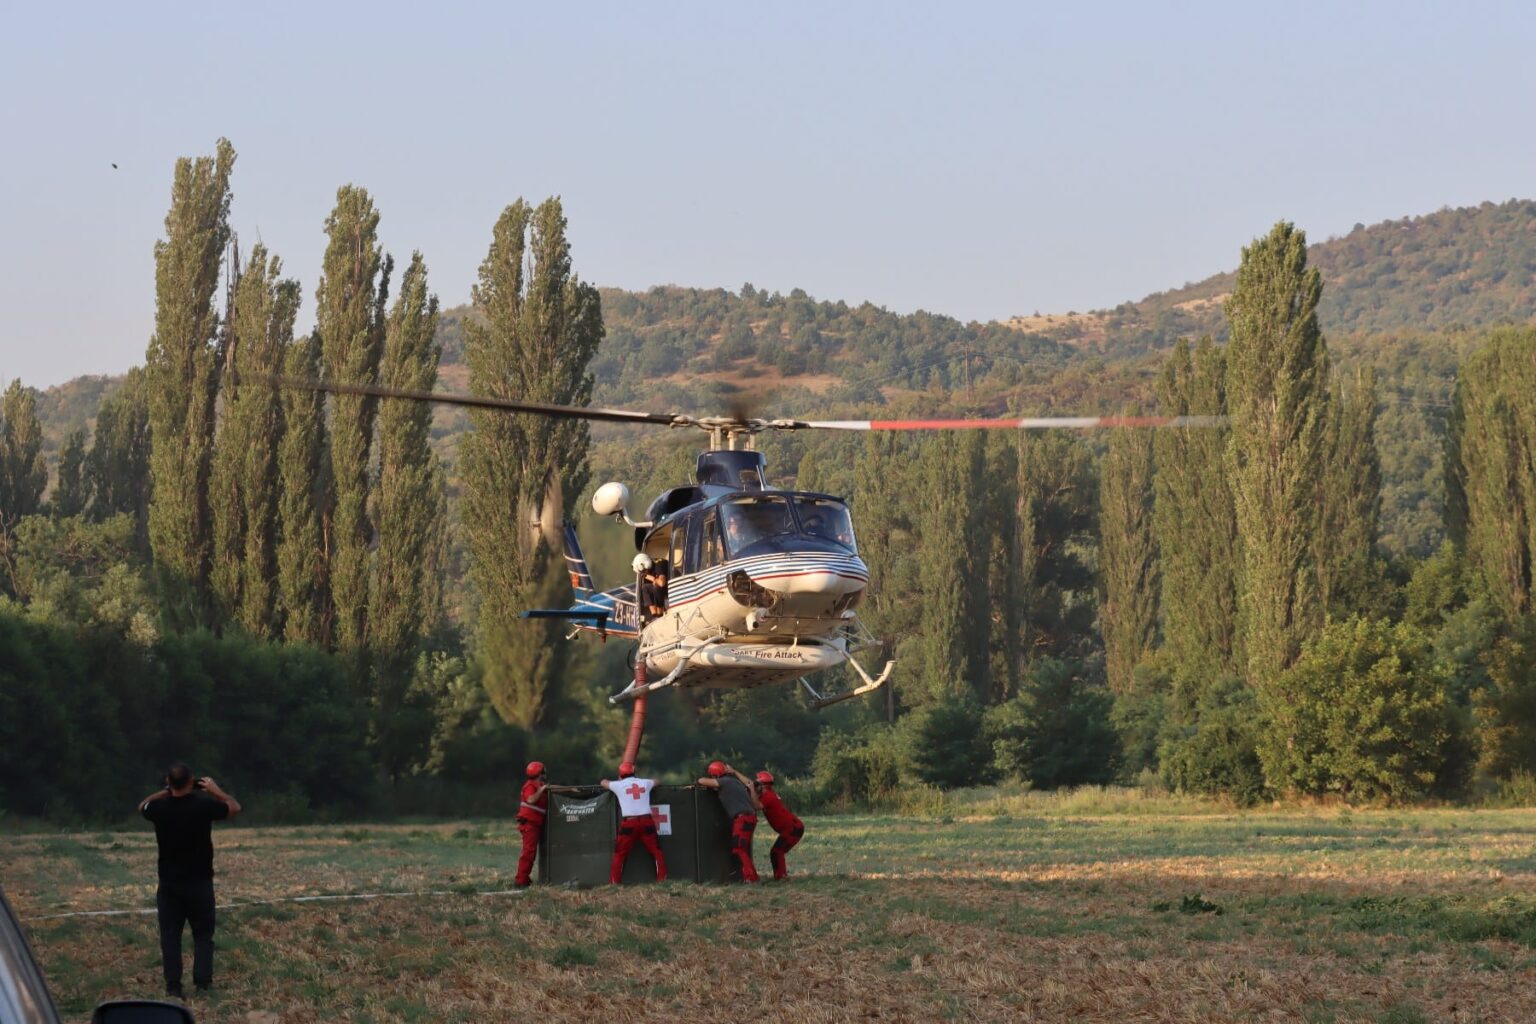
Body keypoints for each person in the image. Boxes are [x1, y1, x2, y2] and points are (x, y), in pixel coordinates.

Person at [139, 762, 241, 998]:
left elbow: (142, 805)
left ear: (168, 781)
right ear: (192, 780)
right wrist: (215, 790)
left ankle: (173, 985)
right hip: (199, 881)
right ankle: (203, 983)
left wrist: (166, 791)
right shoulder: (203, 805)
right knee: (203, 935)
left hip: (169, 884)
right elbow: (234, 807)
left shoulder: (159, 808)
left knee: (170, 936)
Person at [601, 762, 667, 884]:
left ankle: (614, 883)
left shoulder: (618, 785)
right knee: (656, 851)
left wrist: (608, 780)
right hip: (647, 821)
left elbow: (603, 783)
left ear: (620, 774)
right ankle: (663, 880)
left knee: (619, 853)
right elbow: (658, 781)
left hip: (629, 824)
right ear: (634, 772)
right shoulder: (645, 783)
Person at [514, 761, 575, 888]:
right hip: (529, 824)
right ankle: (520, 881)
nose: (545, 773)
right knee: (528, 852)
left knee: (531, 853)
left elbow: (553, 788)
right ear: (539, 773)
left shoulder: (540, 785)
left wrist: (569, 789)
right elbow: (530, 799)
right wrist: (541, 790)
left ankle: (524, 878)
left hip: (535, 824)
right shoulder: (530, 785)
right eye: (543, 771)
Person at [697, 761, 760, 883]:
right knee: (742, 848)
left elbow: (701, 781)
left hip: (742, 818)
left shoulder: (724, 781)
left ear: (714, 774)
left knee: (738, 849)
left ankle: (751, 878)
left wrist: (702, 780)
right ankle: (751, 876)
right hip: (749, 817)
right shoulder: (735, 782)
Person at [755, 771, 805, 881]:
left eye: (757, 785)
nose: (755, 787)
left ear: (762, 786)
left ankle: (781, 877)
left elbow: (756, 806)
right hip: (793, 826)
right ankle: (780, 876)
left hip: (792, 828)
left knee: (777, 851)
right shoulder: (769, 793)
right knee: (777, 851)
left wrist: (750, 791)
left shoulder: (768, 796)